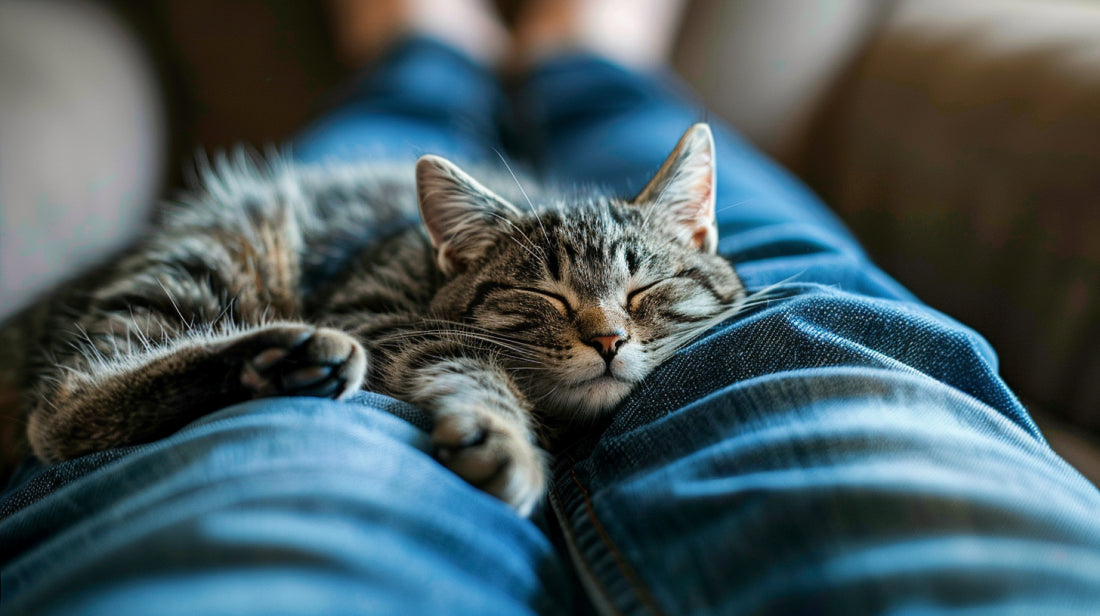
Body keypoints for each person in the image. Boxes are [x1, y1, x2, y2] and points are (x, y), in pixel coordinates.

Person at [3, 1, 1100, 613]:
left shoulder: (676, 274)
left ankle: (518, 56)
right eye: (554, 308)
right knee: (815, 345)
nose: (606, 330)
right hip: (334, 250)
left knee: (776, 306)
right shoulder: (447, 276)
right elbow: (410, 331)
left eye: (641, 296)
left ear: (695, 242)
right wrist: (481, 386)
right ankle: (498, 59)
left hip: (556, 253)